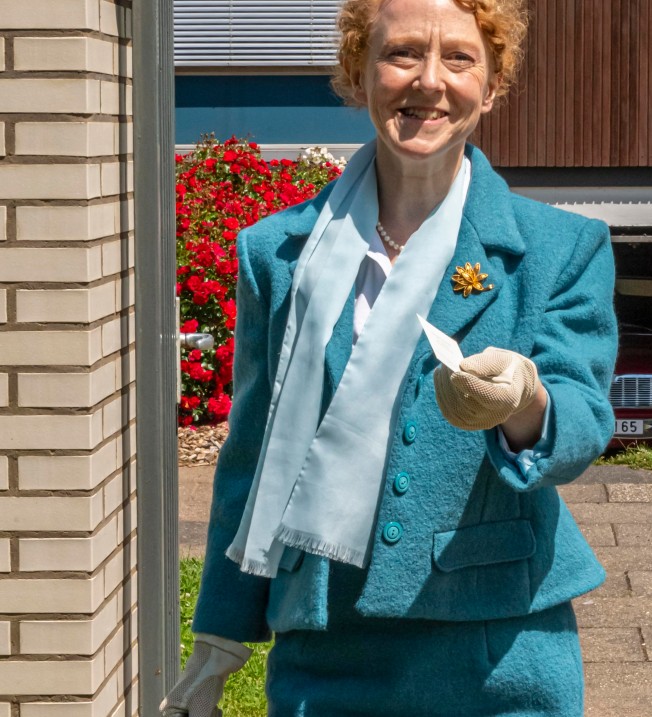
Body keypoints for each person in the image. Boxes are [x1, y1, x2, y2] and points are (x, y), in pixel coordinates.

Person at [160, 0, 617, 714]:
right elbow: (250, 459)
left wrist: (528, 399)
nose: (429, 81)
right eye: (402, 53)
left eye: (459, 58)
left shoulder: (561, 249)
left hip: (500, 654)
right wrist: (219, 637)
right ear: (359, 73)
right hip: (328, 657)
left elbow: (582, 416)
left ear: (492, 86)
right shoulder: (277, 256)